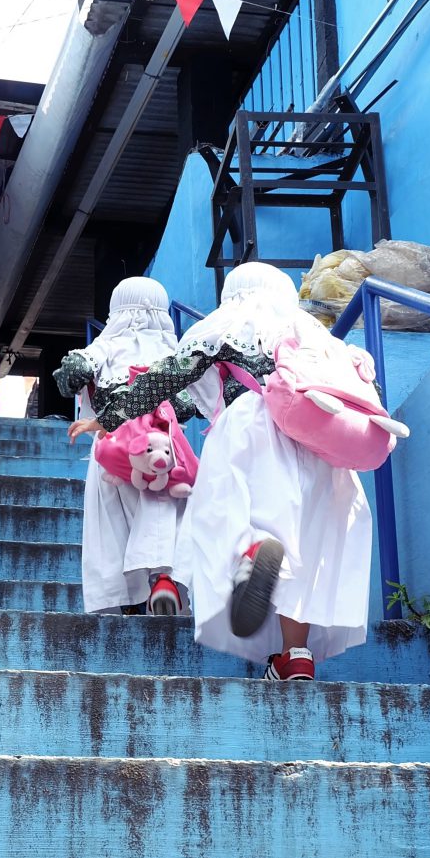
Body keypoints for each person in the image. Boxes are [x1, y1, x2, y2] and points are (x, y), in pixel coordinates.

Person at [68, 263, 373, 681]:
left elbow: (168, 377)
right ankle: (294, 655)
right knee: (305, 546)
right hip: (322, 442)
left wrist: (110, 416)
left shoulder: (229, 324)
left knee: (219, 509)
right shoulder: (315, 335)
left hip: (257, 424)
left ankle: (248, 553)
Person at [54, 276, 195, 616]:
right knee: (163, 513)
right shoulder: (172, 353)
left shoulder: (103, 346)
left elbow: (68, 376)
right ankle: (163, 578)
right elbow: (190, 405)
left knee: (112, 529)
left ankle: (126, 603)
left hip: (111, 451)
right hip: (163, 451)